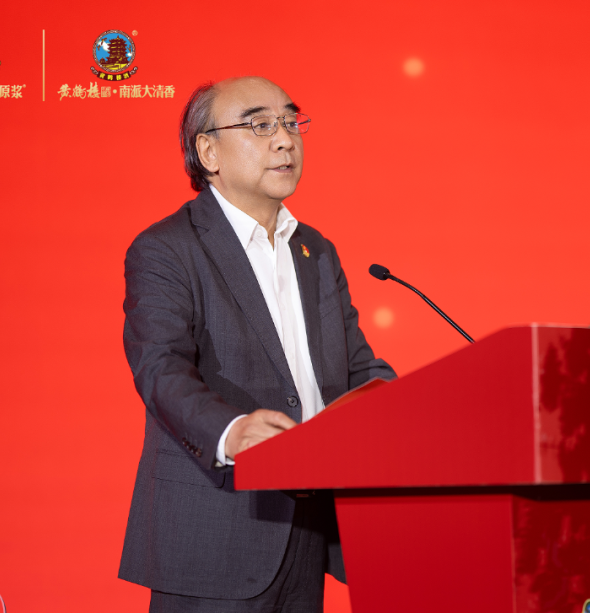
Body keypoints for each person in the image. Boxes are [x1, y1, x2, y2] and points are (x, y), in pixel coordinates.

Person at [118, 76, 395, 612]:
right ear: (208, 152)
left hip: (308, 527)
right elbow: (160, 367)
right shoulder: (167, 249)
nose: (285, 139)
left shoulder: (316, 250)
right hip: (214, 529)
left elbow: (358, 368)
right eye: (260, 125)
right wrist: (233, 431)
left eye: (291, 122)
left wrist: (404, 403)